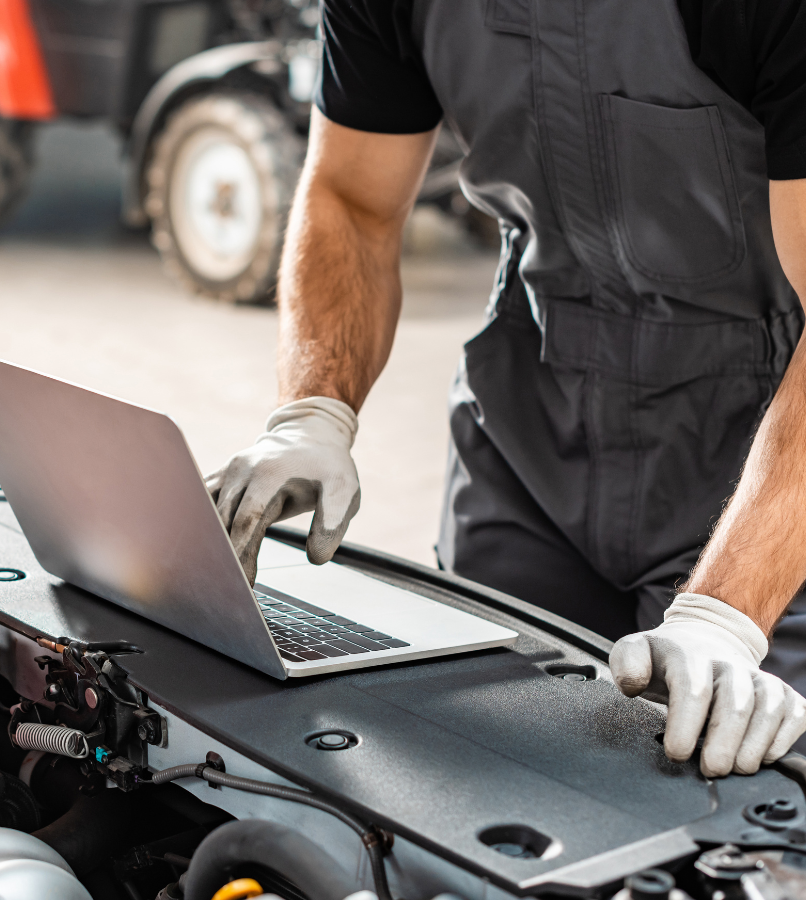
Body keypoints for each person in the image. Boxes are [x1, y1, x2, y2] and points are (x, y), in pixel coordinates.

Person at [206, 0, 806, 777]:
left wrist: (723, 617)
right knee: (471, 763)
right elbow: (352, 200)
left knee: (740, 810)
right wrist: (312, 413)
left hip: (765, 449)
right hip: (527, 426)